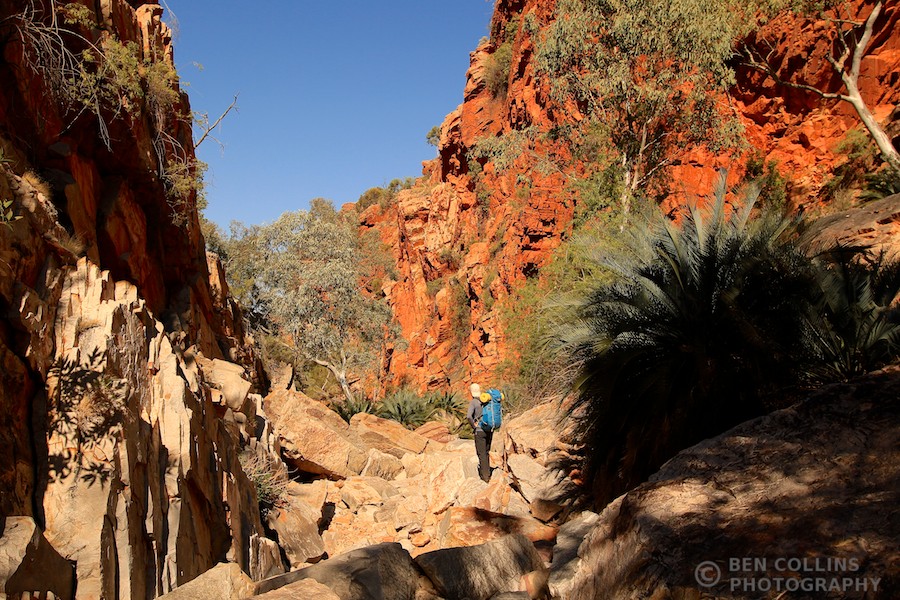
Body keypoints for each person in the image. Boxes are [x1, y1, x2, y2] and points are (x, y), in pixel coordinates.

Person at [466, 382, 493, 482]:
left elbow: (469, 416)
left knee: (481, 454)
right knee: (486, 452)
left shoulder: (474, 402)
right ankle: (488, 472)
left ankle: (485, 477)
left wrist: (473, 426)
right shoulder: (486, 400)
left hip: (480, 431)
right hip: (489, 429)